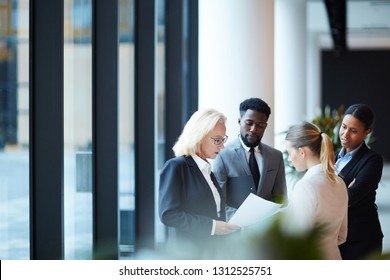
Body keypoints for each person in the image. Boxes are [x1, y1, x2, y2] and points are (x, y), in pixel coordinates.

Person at [158, 108, 240, 259]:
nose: (222, 146)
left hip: (213, 253)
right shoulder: (176, 167)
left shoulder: (207, 170)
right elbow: (168, 215)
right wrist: (212, 227)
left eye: (223, 139)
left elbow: (211, 211)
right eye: (217, 140)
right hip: (188, 256)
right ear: (199, 137)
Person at [212, 97, 287, 218]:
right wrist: (245, 220)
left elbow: (280, 198)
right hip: (236, 231)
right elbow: (218, 203)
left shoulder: (276, 156)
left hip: (268, 232)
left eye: (260, 125)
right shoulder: (222, 155)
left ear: (266, 126)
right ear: (239, 121)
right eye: (249, 123)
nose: (254, 129)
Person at [283, 121, 348, 260]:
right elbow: (342, 236)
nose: (289, 159)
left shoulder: (305, 186)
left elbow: (298, 238)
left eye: (289, 152)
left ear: (301, 152)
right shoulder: (340, 182)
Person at [335, 104, 384, 260]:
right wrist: (343, 189)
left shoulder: (372, 160)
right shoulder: (332, 157)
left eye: (353, 131)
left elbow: (350, 197)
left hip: (361, 240)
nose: (345, 134)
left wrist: (334, 193)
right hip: (335, 237)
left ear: (367, 132)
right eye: (343, 127)